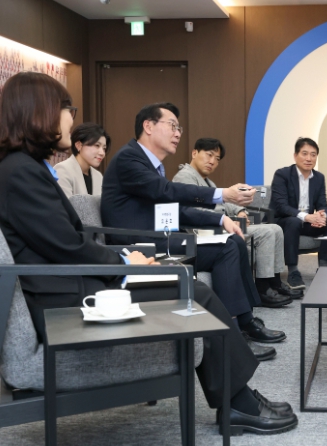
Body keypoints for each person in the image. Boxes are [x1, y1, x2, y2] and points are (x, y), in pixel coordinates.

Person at [0, 72, 297, 436]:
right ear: (39, 111)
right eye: (66, 109)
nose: (71, 119)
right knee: (194, 292)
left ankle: (238, 398)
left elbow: (64, 240)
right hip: (65, 295)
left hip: (73, 281)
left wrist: (125, 262)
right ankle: (239, 403)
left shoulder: (25, 169)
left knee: (194, 286)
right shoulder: (20, 173)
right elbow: (66, 245)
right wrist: (126, 263)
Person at [100, 102, 289, 362]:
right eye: (172, 126)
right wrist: (221, 194)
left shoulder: (150, 164)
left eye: (179, 128)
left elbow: (173, 211)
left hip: (159, 238)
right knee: (226, 249)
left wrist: (221, 219)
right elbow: (167, 192)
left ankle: (245, 321)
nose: (178, 133)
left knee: (233, 241)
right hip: (139, 246)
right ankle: (233, 336)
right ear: (148, 126)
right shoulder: (129, 159)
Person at [172, 137, 302, 300]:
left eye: (217, 159)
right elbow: (195, 212)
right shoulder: (185, 177)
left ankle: (275, 282)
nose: (212, 161)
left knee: (276, 229)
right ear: (194, 153)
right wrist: (226, 220)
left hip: (222, 226)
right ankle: (263, 288)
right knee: (267, 232)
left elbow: (224, 203)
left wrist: (240, 211)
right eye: (209, 155)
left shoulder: (207, 181)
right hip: (206, 231)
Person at [270, 137, 327, 290]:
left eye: (313, 155)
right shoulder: (282, 174)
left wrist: (322, 217)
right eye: (304, 153)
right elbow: (281, 206)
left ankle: (324, 267)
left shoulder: (319, 178)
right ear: (295, 156)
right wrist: (307, 217)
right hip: (283, 222)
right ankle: (293, 271)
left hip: (306, 223)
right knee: (294, 221)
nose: (309, 158)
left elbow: (322, 204)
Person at [54, 122, 109, 197]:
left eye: (104, 148)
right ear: (78, 145)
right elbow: (64, 203)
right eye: (97, 145)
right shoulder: (62, 170)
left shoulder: (98, 176)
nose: (102, 153)